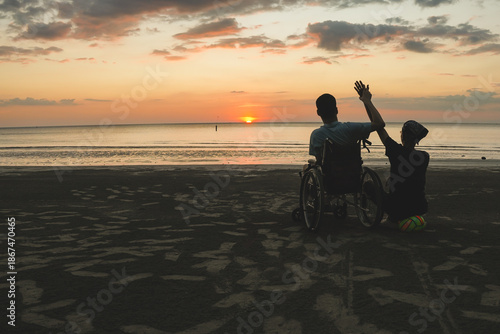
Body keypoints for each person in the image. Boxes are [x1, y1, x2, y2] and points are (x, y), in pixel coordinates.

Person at [354, 81, 430, 225]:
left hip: (398, 209)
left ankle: (391, 217)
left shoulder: (396, 151)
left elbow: (378, 126)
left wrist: (367, 101)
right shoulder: (425, 157)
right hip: (420, 208)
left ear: (402, 135)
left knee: (369, 186)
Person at [309, 87, 385, 161]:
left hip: (329, 172)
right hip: (352, 171)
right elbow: (379, 123)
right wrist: (367, 101)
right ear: (336, 110)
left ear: (318, 113)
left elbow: (319, 160)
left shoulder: (316, 135)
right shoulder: (351, 128)